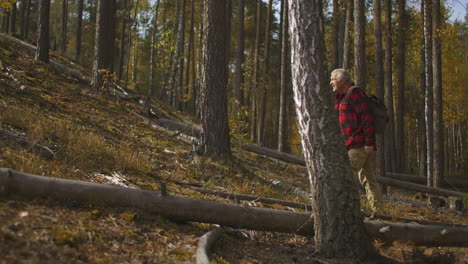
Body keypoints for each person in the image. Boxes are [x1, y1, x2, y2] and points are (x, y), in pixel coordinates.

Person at [330, 68, 382, 214]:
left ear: (342, 80)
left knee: (347, 175)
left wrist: (369, 143)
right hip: (352, 144)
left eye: (333, 79)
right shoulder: (340, 97)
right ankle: (378, 211)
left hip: (359, 144)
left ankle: (347, 211)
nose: (330, 82)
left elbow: (367, 118)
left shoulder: (355, 93)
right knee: (369, 179)